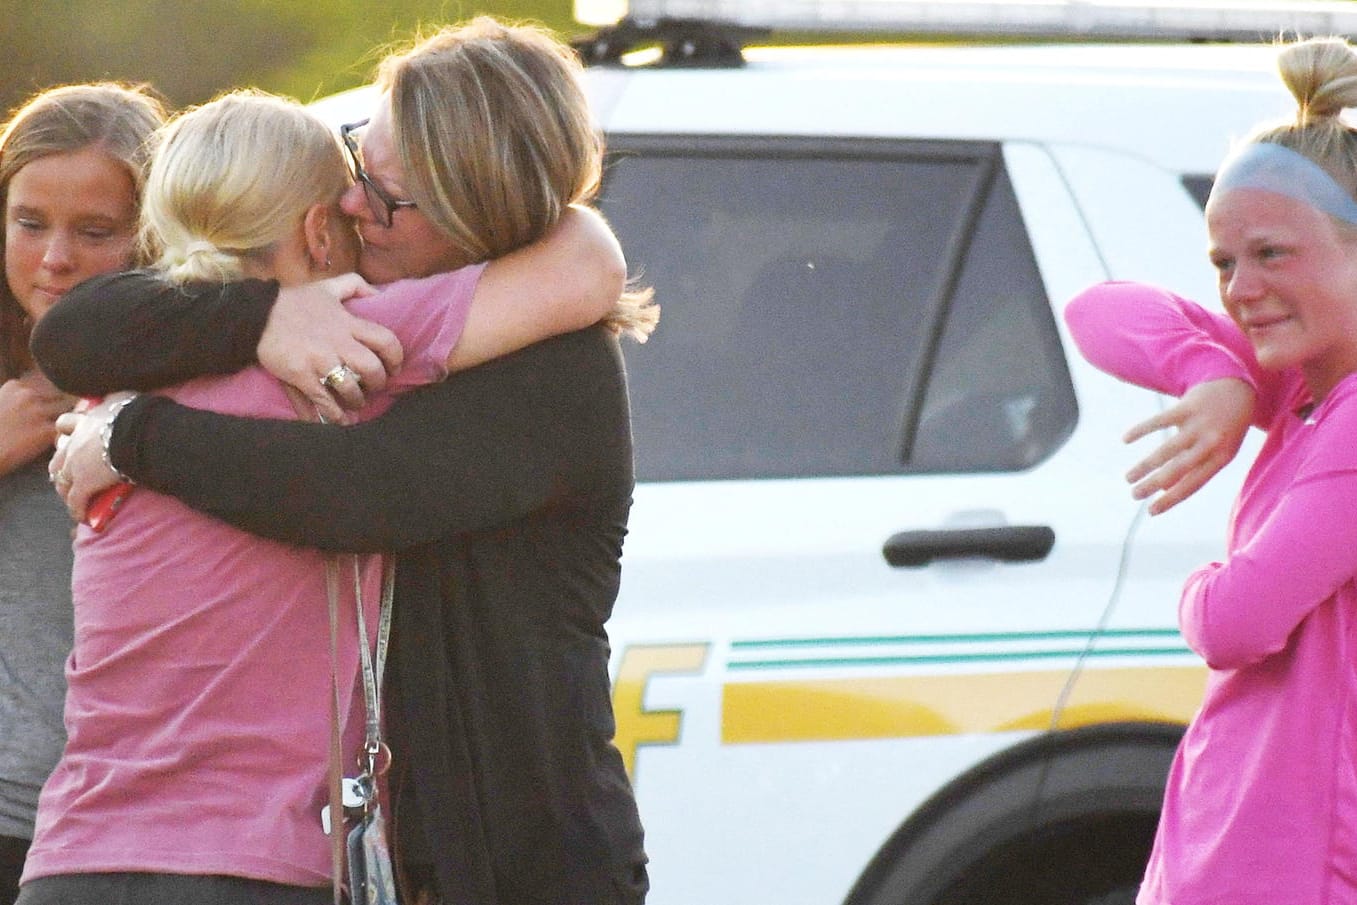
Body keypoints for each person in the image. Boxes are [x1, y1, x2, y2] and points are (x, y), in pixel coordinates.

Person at [37, 17, 656, 905]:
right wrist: (262, 317)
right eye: (356, 158)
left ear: (477, 214)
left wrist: (135, 435)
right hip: (378, 865)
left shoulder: (552, 372)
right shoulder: (341, 318)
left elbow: (358, 491)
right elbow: (77, 330)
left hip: (521, 869)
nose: (353, 204)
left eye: (388, 197)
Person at [1063, 35, 1357, 905]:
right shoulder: (1298, 379)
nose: (1239, 288)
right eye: (1223, 262)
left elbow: (1237, 619)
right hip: (1236, 856)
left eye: (1272, 254)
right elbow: (1095, 312)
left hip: (1300, 870)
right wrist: (1218, 376)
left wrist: (1193, 587)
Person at [0, 82, 166, 905]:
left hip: (145, 830)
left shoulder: (205, 381)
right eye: (30, 223)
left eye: (94, 231)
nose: (54, 258)